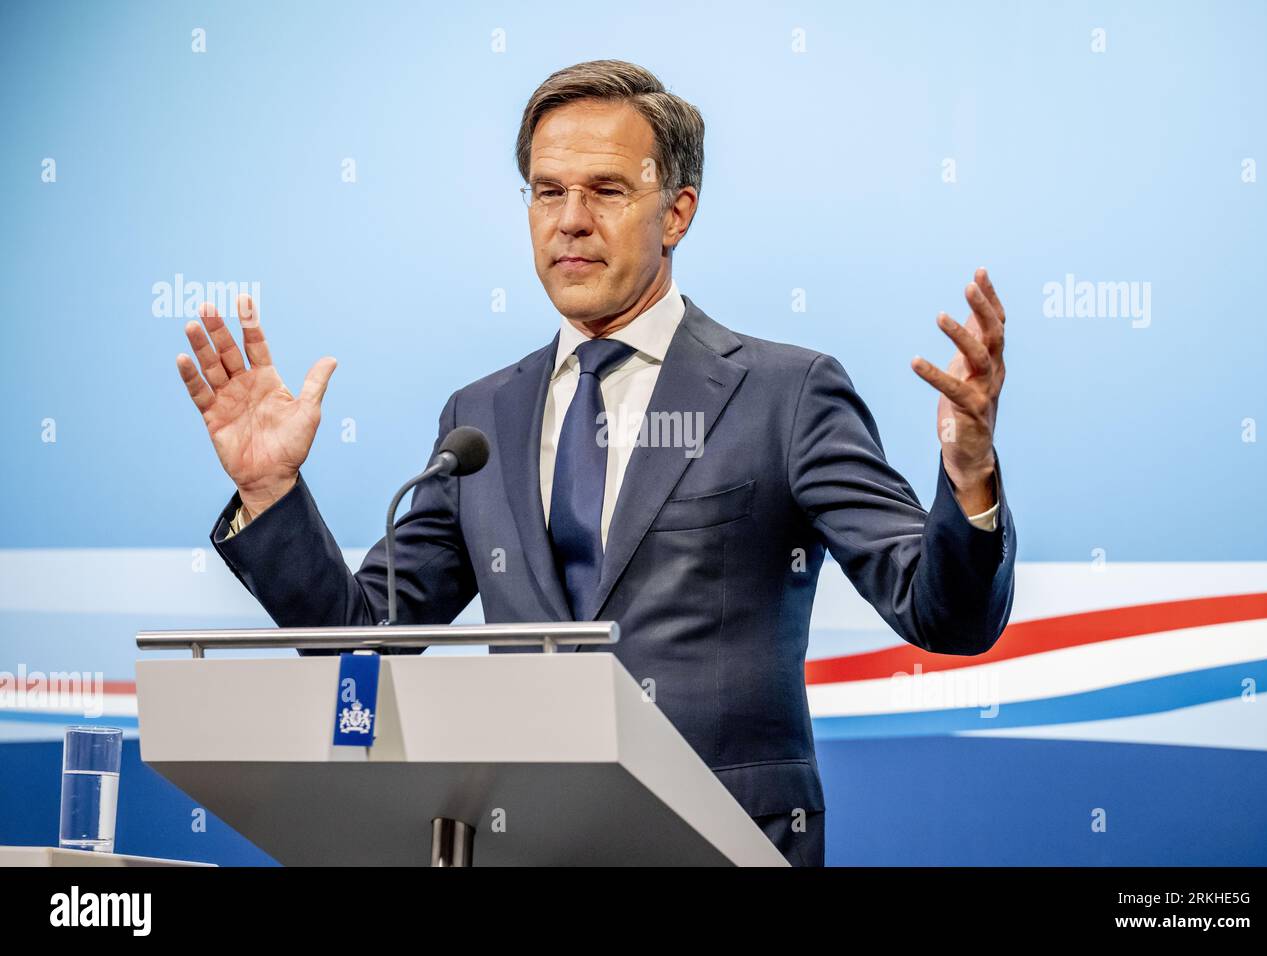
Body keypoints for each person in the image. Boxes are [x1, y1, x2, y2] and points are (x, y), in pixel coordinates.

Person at [174, 60, 1015, 867]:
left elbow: (944, 613)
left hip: (725, 846)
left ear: (677, 212)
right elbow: (362, 641)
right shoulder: (481, 419)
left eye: (607, 191)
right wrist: (270, 489)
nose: (571, 219)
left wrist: (969, 475)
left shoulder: (785, 393)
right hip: (523, 845)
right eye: (548, 192)